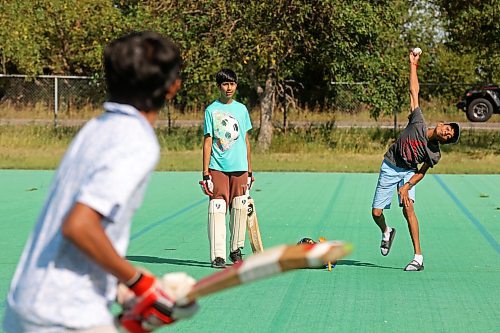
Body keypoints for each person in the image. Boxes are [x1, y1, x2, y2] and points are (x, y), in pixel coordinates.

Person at [3, 31, 199, 333]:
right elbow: (79, 226)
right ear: (173, 88)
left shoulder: (95, 128)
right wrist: (139, 282)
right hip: (65, 313)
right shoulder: (136, 140)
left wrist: (121, 289)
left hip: (28, 304)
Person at [371, 49, 460, 271]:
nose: (447, 132)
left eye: (449, 135)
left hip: (409, 173)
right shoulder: (418, 121)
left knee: (408, 209)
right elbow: (414, 91)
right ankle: (386, 232)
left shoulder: (434, 152)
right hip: (390, 165)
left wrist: (407, 186)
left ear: (445, 140)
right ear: (441, 124)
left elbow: (422, 172)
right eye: (448, 128)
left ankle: (418, 257)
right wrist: (413, 65)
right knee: (376, 213)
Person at [200, 68, 253, 269]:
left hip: (240, 167)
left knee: (239, 206)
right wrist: (206, 173)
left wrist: (249, 171)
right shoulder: (211, 110)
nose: (228, 88)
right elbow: (207, 141)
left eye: (232, 84)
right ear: (218, 86)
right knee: (217, 208)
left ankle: (235, 250)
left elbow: (246, 142)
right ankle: (218, 256)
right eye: (225, 84)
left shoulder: (241, 109)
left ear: (236, 85)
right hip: (217, 167)